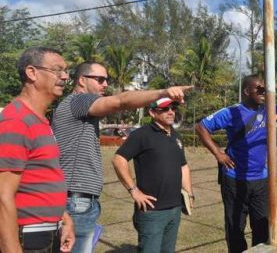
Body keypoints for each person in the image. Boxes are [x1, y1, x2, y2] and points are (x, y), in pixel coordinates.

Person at [52, 61, 192, 253]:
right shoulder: (78, 102)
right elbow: (121, 101)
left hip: (82, 200)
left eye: (107, 80)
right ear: (82, 80)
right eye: (100, 79)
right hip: (76, 200)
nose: (105, 84)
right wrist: (163, 92)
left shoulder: (83, 111)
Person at [196, 75, 277, 253]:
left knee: (261, 227)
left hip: (260, 179)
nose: (263, 93)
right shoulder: (232, 112)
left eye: (264, 89)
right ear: (246, 91)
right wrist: (218, 153)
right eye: (259, 89)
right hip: (234, 179)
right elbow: (201, 127)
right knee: (235, 227)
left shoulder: (268, 110)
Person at [0, 47, 75, 252]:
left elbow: (40, 178)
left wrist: (63, 218)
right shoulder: (16, 120)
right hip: (30, 235)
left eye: (66, 71)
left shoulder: (39, 120)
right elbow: (2, 195)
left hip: (48, 231)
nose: (65, 76)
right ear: (32, 72)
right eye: (57, 70)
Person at [112, 97, 194, 253]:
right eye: (164, 109)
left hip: (175, 208)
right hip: (152, 212)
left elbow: (183, 166)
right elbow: (118, 160)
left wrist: (189, 193)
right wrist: (134, 191)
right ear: (152, 112)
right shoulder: (141, 135)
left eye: (173, 108)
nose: (170, 112)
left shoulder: (176, 136)